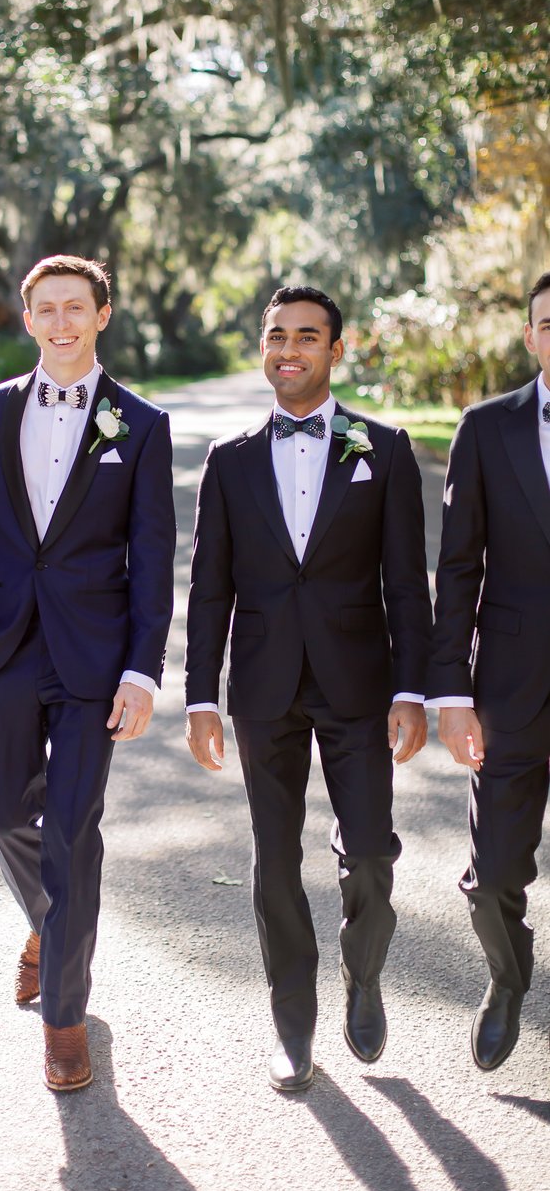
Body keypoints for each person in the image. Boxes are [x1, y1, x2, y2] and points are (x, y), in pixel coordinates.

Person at [185, 285, 431, 1093]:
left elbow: (406, 584)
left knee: (367, 851)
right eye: (277, 336)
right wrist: (199, 698)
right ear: (264, 347)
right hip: (262, 686)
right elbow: (209, 589)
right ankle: (293, 1023)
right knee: (274, 861)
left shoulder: (384, 448)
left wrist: (414, 689)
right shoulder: (229, 460)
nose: (289, 350)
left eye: (307, 337)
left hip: (358, 682)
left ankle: (364, 974)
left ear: (335, 348)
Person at [0, 255, 176, 1092]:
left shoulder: (140, 424)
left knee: (73, 832)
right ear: (29, 318)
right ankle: (49, 921)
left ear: (102, 314)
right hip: (0, 649)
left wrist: (143, 672)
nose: (62, 322)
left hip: (93, 659)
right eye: (46, 309)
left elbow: (152, 558)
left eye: (76, 307)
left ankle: (65, 1020)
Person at [429, 271, 550, 1070]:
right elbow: (458, 566)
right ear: (531, 334)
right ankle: (508, 980)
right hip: (510, 685)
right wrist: (451, 692)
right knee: (493, 874)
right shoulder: (486, 428)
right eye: (548, 322)